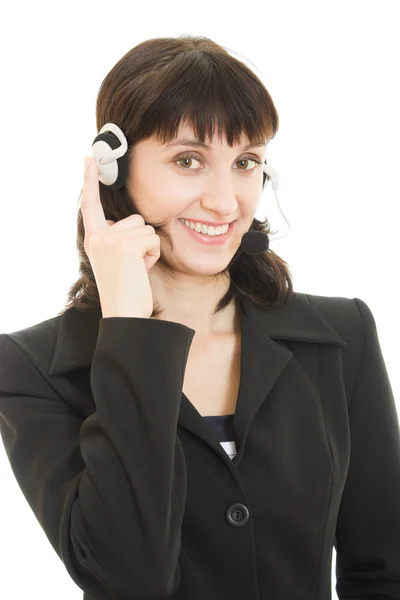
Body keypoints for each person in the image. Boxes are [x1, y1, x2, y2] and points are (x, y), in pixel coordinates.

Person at [1, 35, 399, 600]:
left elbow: (384, 571)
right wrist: (129, 333)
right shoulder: (33, 369)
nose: (225, 200)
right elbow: (127, 578)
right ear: (112, 170)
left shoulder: (342, 336)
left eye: (245, 162)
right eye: (188, 160)